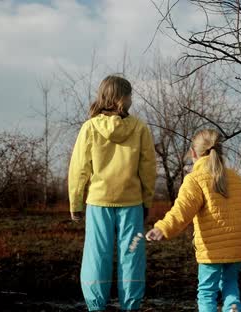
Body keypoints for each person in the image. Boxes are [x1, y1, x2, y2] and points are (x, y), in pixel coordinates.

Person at [68, 75, 157, 312]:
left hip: (98, 203)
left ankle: (96, 305)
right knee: (132, 253)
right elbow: (148, 169)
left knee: (97, 253)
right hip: (132, 204)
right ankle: (131, 305)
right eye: (130, 95)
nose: (132, 99)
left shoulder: (90, 128)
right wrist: (146, 202)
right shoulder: (139, 127)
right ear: (122, 98)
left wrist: (75, 203)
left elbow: (78, 169)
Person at [146, 129, 241, 312]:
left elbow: (182, 210)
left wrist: (163, 228)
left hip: (212, 249)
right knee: (230, 286)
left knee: (206, 292)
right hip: (238, 245)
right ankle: (233, 308)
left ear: (193, 153)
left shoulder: (195, 179)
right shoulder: (235, 177)